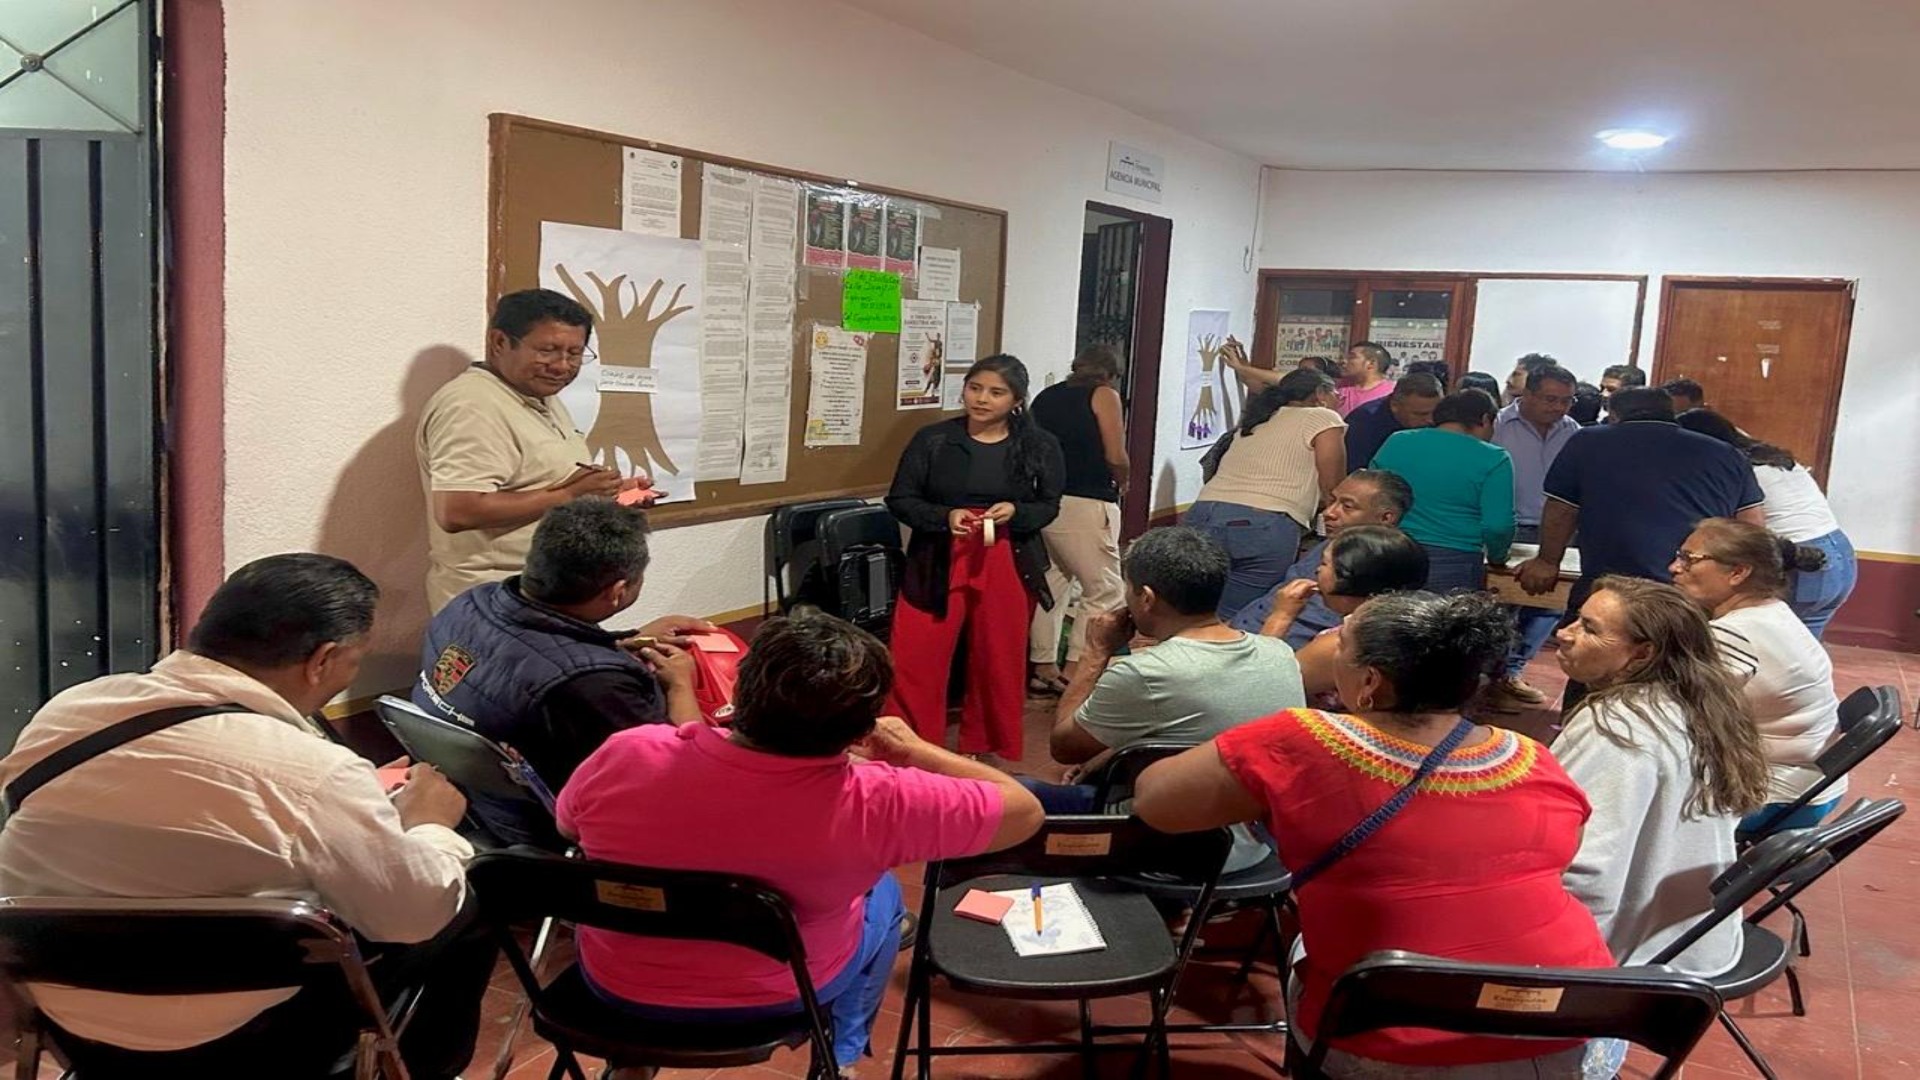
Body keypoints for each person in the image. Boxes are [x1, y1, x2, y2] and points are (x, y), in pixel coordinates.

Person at [0, 555, 491, 1080]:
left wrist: (347, 800)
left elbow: (188, 801)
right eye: (355, 662)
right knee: (469, 902)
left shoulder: (70, 711)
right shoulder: (316, 772)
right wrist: (430, 826)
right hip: (243, 1043)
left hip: (72, 1024)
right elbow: (412, 919)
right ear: (322, 659)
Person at [1133, 591, 1613, 1078]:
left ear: (1368, 682)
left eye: (1340, 640)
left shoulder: (1300, 741)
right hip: (1562, 1018)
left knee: (1310, 954)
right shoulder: (1531, 755)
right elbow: (1561, 847)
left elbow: (1156, 803)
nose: (1328, 644)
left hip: (1393, 1033)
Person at [556, 613, 1046, 1079]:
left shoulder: (630, 752)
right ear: (861, 728)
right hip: (776, 998)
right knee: (885, 894)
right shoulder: (882, 799)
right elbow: (1025, 812)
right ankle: (841, 1055)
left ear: (739, 690)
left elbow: (569, 828)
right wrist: (915, 751)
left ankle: (633, 1061)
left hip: (615, 988)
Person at [413, 498, 714, 847]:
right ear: (617, 592)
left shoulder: (469, 603)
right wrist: (680, 686)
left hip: (475, 802)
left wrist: (621, 643)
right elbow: (678, 777)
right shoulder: (590, 684)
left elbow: (529, 658)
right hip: (547, 832)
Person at [1030, 528, 1305, 860]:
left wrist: (1094, 653)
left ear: (1146, 598)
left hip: (1160, 844)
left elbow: (1064, 747)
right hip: (1256, 844)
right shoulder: (1280, 654)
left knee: (1012, 792)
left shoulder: (1145, 672)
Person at [1551, 576, 1770, 977]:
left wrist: (1557, 962)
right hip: (1693, 935)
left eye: (1589, 628)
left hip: (1629, 958)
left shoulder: (1615, 729)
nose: (1564, 633)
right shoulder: (1700, 703)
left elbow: (1585, 869)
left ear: (1642, 654)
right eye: (1575, 620)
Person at [1515, 388, 1765, 706]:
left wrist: (1548, 561)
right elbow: (1751, 529)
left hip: (1612, 591)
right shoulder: (1727, 454)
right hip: (1691, 594)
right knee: (1677, 681)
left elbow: (1562, 508)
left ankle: (1582, 739)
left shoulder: (1588, 441)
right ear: (1671, 414)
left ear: (1615, 416)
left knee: (1594, 676)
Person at [418, 288, 653, 613]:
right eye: (548, 350)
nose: (562, 366)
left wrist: (607, 495)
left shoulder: (540, 397)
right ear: (500, 342)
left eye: (574, 353)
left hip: (543, 594)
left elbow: (539, 481)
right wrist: (571, 495)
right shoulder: (472, 405)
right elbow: (458, 510)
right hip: (492, 602)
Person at [886, 355, 1065, 759]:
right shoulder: (932, 440)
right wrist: (943, 516)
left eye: (996, 392)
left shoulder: (1039, 445)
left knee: (997, 657)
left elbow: (1049, 505)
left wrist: (1016, 512)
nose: (982, 399)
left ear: (1016, 400)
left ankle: (984, 745)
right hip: (938, 557)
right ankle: (910, 745)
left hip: (1006, 555)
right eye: (975, 388)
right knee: (916, 654)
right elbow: (901, 499)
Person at [1669, 519, 1843, 836]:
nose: (1674, 567)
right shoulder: (1772, 610)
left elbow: (1673, 712)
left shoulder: (1736, 633)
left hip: (1779, 797)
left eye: (1689, 559)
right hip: (1813, 786)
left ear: (1738, 573)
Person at [1676, 408, 1857, 638]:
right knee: (1802, 643)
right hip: (1839, 556)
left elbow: (1742, 529)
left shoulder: (1735, 469)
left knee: (1768, 642)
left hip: (1796, 559)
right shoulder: (1773, 458)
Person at [1186, 369, 1345, 619]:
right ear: (1320, 395)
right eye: (1336, 393)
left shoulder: (1257, 419)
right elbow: (1332, 484)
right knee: (1241, 615)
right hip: (1261, 521)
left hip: (1202, 513)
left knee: (1194, 608)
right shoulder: (1323, 417)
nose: (1339, 399)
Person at [1027, 344, 1130, 693]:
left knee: (1053, 583)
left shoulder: (1045, 397)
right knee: (1105, 588)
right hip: (1087, 499)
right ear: (1112, 372)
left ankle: (1043, 665)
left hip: (1047, 499)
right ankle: (1075, 671)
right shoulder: (1104, 395)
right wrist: (1123, 477)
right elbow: (1115, 453)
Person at [1487, 363, 1581, 711]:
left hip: (1558, 529)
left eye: (1566, 401)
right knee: (1501, 605)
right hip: (1509, 525)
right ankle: (1488, 675)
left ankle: (1512, 671)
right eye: (1550, 399)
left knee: (1549, 605)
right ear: (1526, 394)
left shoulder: (1575, 432)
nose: (1558, 408)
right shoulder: (1497, 425)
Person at [1227, 470, 1413, 645]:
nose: (1329, 513)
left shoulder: (1383, 565)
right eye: (1332, 501)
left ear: (1386, 518)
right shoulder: (1330, 543)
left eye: (1347, 507)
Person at [1371, 389, 1514, 593]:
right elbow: (1498, 526)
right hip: (1455, 559)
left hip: (1390, 551)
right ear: (1485, 419)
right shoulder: (1494, 458)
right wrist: (1498, 557)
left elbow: (1368, 496)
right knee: (1445, 623)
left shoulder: (1396, 441)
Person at [1342, 373, 1442, 475]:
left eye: (1436, 412)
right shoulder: (1363, 422)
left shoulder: (1445, 420)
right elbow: (1354, 472)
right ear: (1395, 405)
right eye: (1420, 414)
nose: (1431, 420)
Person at [1335, 341, 1397, 417]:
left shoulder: (1391, 392)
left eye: (1351, 357)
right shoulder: (1337, 387)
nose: (1343, 361)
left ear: (1371, 363)